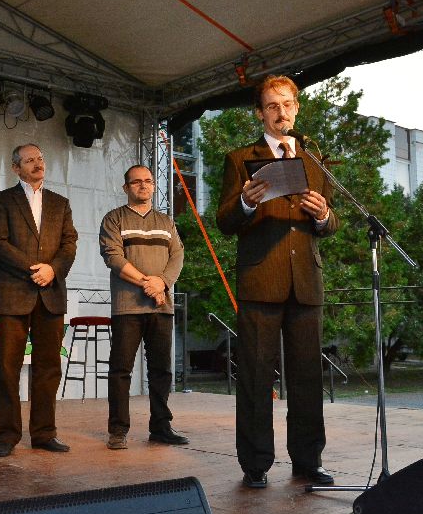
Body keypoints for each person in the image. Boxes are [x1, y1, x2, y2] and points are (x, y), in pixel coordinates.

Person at [216, 74, 340, 488]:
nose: (280, 112)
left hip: (305, 281)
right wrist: (245, 203)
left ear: (297, 109)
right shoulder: (240, 159)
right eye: (272, 105)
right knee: (255, 376)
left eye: (287, 104)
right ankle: (255, 465)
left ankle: (308, 460)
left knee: (308, 378)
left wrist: (323, 214)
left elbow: (332, 224)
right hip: (260, 280)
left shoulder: (314, 159)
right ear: (260, 113)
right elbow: (224, 221)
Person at [0, 143, 78, 457]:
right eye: (29, 160)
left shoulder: (60, 203)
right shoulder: (0, 201)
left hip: (51, 294)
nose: (37, 164)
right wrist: (35, 270)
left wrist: (52, 270)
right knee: (7, 368)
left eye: (40, 158)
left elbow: (69, 244)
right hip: (13, 294)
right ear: (16, 168)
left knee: (49, 368)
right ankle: (7, 435)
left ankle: (44, 433)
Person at [99, 165, 186, 450]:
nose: (143, 185)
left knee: (161, 371)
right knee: (120, 370)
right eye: (136, 182)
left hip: (161, 307)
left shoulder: (166, 222)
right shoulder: (114, 219)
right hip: (128, 308)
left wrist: (162, 283)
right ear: (126, 187)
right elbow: (113, 257)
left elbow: (177, 256)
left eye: (148, 181)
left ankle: (161, 428)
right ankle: (118, 430)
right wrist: (148, 284)